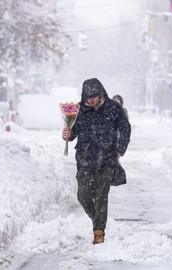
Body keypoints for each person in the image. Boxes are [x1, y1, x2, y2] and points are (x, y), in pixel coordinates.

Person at [62, 78, 131, 245]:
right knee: (82, 195)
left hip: (106, 159)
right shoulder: (79, 110)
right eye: (87, 97)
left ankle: (99, 232)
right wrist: (67, 134)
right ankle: (97, 219)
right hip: (84, 159)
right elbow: (73, 133)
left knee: (101, 197)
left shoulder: (114, 109)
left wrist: (120, 150)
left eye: (92, 97)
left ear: (100, 94)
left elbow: (125, 129)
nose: (89, 100)